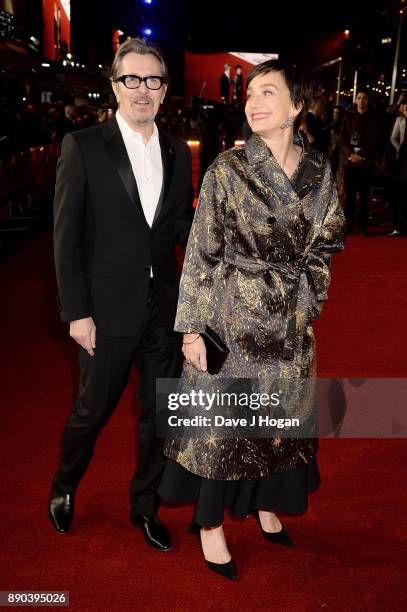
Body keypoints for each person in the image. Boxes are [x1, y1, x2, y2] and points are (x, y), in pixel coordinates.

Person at [158, 59, 346, 579]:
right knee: (222, 430)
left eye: (269, 92)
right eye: (251, 94)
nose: (255, 102)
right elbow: (201, 251)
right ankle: (211, 526)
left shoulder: (318, 173)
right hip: (229, 319)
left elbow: (325, 245)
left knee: (277, 423)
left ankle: (266, 506)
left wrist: (305, 300)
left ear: (297, 106)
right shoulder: (227, 170)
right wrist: (192, 328)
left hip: (288, 324)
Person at [49, 37, 193, 551]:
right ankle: (65, 486)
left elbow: (179, 225)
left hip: (165, 310)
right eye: (131, 79)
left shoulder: (178, 151)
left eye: (152, 80)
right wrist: (77, 312)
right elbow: (66, 238)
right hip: (106, 309)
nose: (142, 89)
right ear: (114, 86)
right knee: (92, 411)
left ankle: (145, 505)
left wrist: (229, 239)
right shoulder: (83, 146)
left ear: (164, 90)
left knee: (161, 413)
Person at [339, 90, 384, 236]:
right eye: (359, 98)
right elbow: (342, 139)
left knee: (365, 197)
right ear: (355, 100)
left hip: (366, 164)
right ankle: (349, 226)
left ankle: (363, 227)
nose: (361, 100)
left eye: (364, 98)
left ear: (368, 101)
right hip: (350, 162)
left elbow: (376, 141)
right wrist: (351, 155)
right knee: (349, 197)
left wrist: (361, 156)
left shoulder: (375, 119)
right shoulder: (348, 117)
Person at [389, 101, 407, 235]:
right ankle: (398, 223)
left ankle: (401, 224)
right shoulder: (400, 120)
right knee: (400, 192)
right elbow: (393, 138)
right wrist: (399, 150)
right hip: (402, 160)